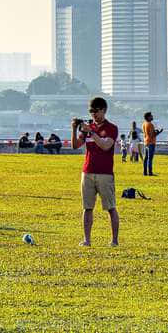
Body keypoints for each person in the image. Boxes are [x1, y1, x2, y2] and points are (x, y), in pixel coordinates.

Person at [73, 97, 118, 247]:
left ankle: (114, 240)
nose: (93, 115)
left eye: (96, 111)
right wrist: (74, 129)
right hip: (88, 172)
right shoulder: (88, 129)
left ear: (104, 110)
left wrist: (91, 133)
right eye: (91, 112)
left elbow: (106, 145)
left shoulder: (111, 128)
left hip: (105, 173)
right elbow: (75, 145)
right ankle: (87, 239)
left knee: (110, 207)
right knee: (87, 208)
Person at [142, 112, 162, 177]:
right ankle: (150, 172)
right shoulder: (150, 124)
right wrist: (159, 132)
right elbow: (152, 135)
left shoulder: (144, 124)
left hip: (146, 142)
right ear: (148, 117)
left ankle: (145, 172)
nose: (152, 117)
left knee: (145, 158)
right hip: (151, 142)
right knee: (150, 158)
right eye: (151, 116)